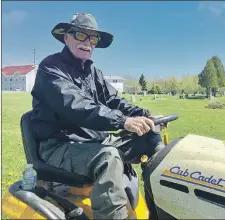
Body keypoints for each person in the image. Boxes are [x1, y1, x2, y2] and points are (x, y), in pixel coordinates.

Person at [30, 13, 165, 219]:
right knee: (107, 157)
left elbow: (114, 100)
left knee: (148, 141)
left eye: (93, 39)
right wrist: (123, 121)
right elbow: (76, 106)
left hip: (92, 139)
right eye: (80, 36)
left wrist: (146, 115)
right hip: (59, 144)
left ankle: (159, 208)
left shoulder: (92, 72)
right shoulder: (51, 68)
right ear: (66, 37)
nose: (88, 43)